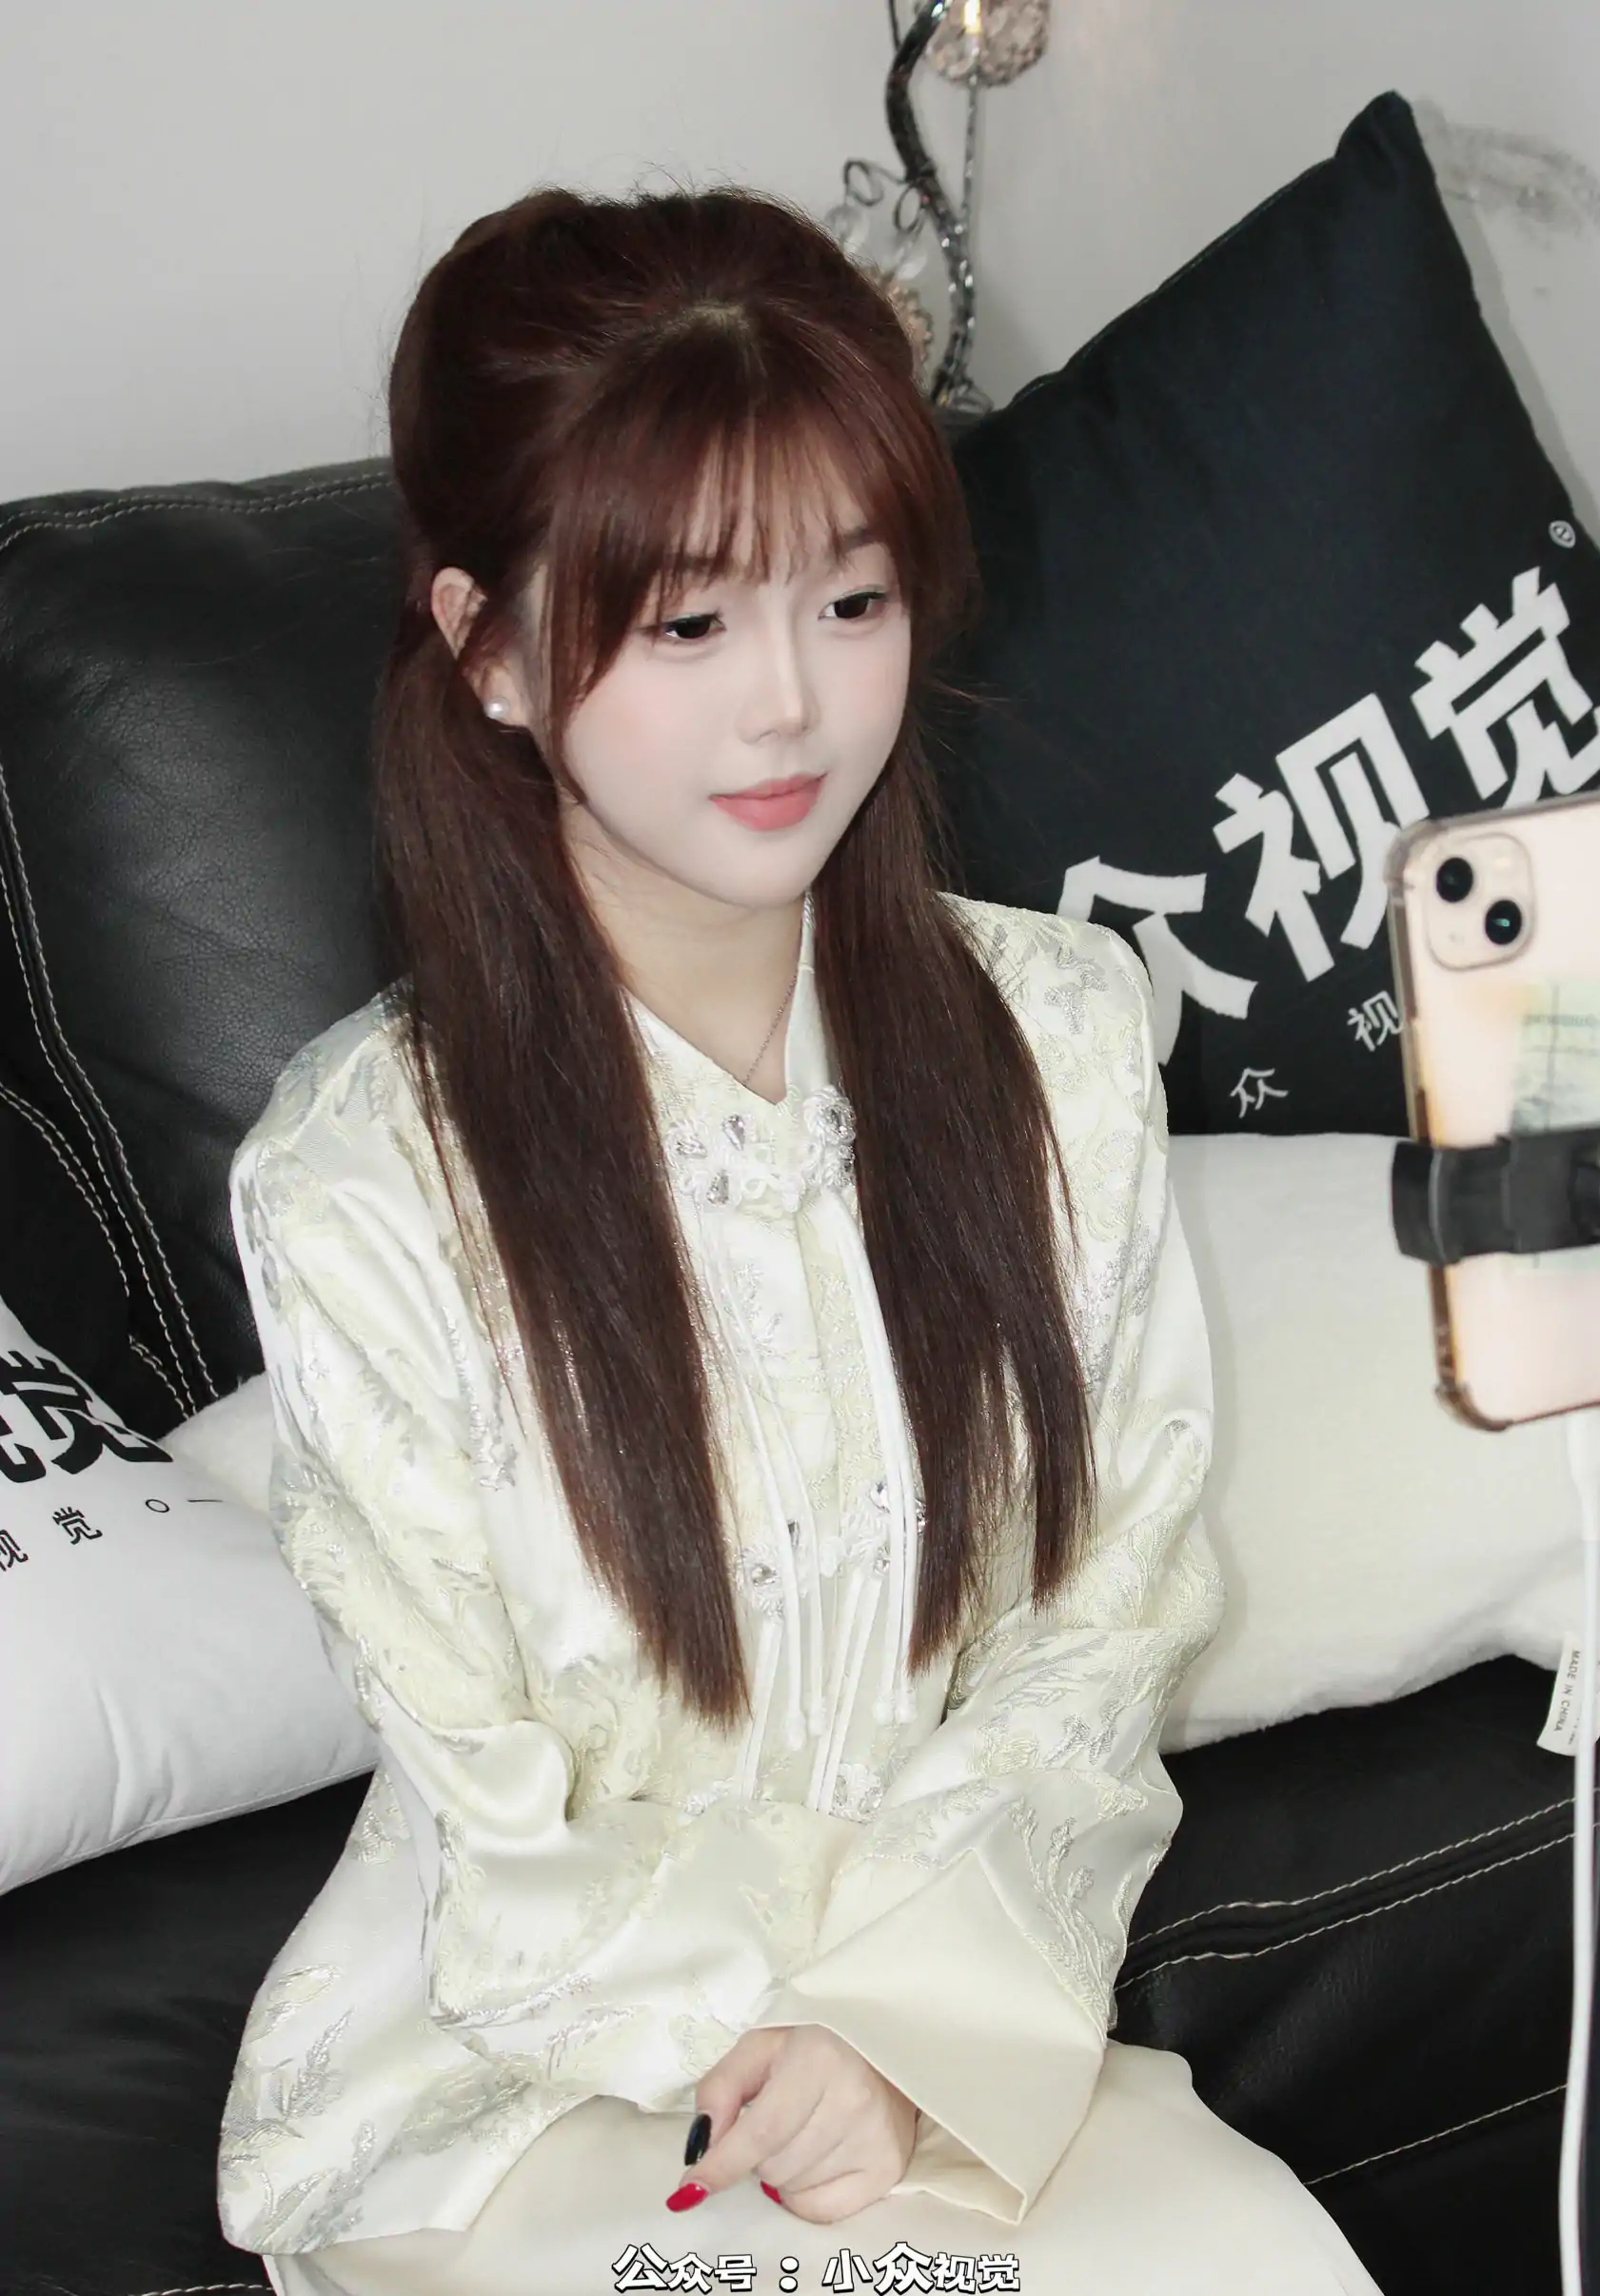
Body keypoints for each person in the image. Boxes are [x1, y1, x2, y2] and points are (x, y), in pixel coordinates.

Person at [218, 184, 1383, 2295]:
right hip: (529, 2084)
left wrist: (910, 2023)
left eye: (850, 600)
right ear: (489, 648)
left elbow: (1108, 1611)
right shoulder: (364, 1187)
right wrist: (793, 2031)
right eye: (688, 626)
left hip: (955, 2018)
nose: (792, 708)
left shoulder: (1058, 1042)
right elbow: (499, 1829)